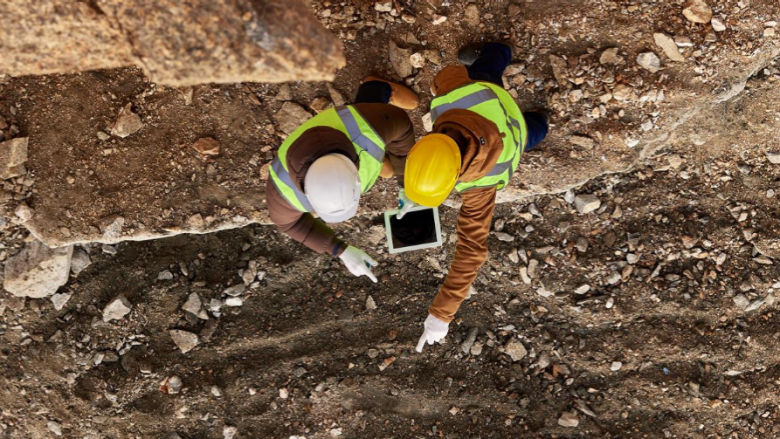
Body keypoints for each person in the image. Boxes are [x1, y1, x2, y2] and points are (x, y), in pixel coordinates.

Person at [405, 43, 550, 352]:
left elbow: (471, 252)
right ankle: (501, 51)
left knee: (533, 130)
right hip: (493, 102)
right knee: (489, 67)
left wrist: (441, 314)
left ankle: (542, 119)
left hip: (518, 138)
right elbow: (448, 74)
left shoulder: (479, 188)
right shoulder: (452, 97)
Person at [267, 77, 418, 282]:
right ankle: (380, 158)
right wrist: (340, 250)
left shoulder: (370, 127)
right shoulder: (282, 191)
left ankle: (379, 87)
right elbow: (290, 225)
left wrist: (405, 180)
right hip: (354, 143)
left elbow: (403, 131)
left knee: (407, 104)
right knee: (388, 170)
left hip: (360, 121)